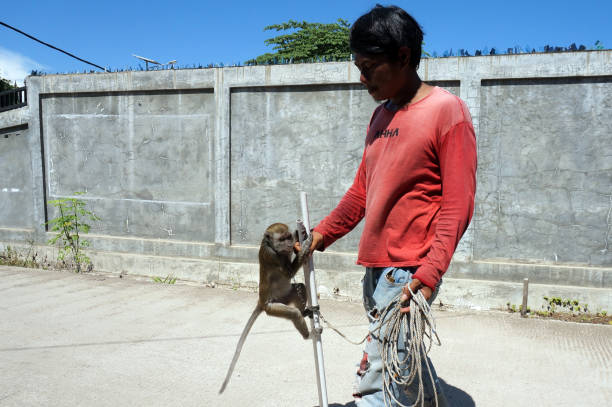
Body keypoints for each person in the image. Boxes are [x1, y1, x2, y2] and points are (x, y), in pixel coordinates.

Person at [300, 5, 477, 406]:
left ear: (403, 56)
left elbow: (458, 204)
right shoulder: (380, 116)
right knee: (402, 360)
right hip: (377, 269)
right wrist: (321, 234)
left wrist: (430, 272)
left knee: (381, 379)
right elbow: (362, 192)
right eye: (358, 66)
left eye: (369, 66)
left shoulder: (447, 112)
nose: (361, 78)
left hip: (410, 270)